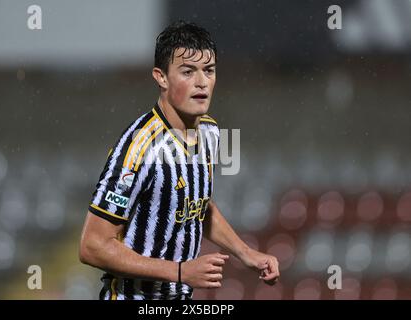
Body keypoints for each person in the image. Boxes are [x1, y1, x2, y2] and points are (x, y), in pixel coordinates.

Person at [79, 20, 280, 300]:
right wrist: (180, 272)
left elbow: (198, 205)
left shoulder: (209, 132)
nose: (201, 82)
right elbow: (92, 246)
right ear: (161, 77)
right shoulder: (140, 148)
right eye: (188, 71)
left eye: (208, 71)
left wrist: (246, 254)